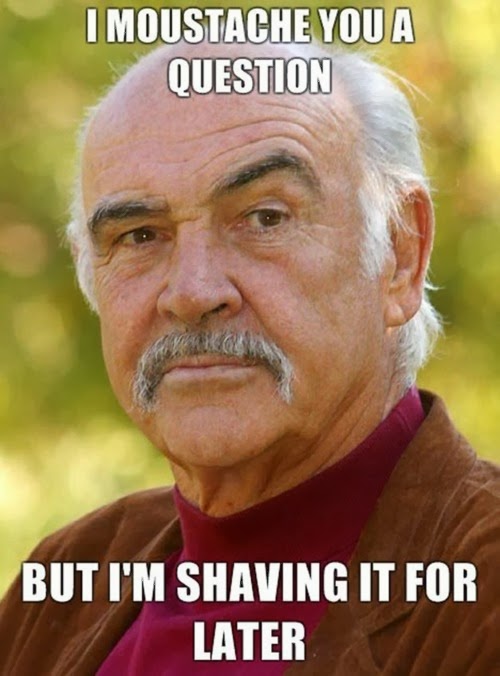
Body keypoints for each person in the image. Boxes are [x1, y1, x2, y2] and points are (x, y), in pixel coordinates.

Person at [0, 39, 499, 675]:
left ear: (401, 253)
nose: (192, 292)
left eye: (264, 218)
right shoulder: (66, 584)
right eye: (140, 235)